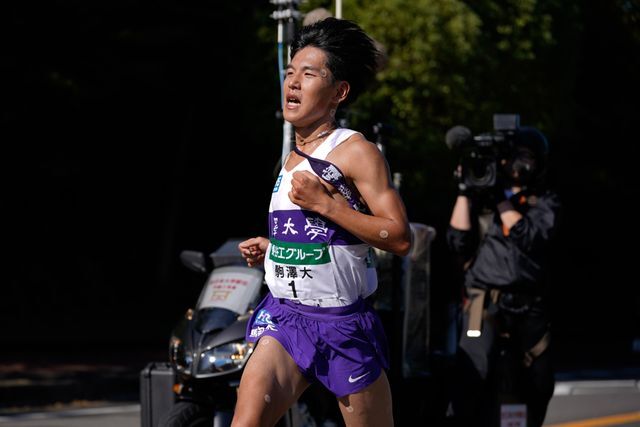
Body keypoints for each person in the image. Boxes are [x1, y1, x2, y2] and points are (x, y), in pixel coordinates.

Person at [232, 17, 411, 427]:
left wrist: (328, 206)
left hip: (342, 324)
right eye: (290, 72)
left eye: (308, 75)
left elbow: (401, 238)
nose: (292, 83)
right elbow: (322, 238)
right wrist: (274, 248)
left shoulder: (355, 151)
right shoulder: (290, 155)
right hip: (285, 316)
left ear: (338, 92)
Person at [446, 126, 561, 427]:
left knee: (540, 378)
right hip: (482, 302)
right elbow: (457, 241)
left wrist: (500, 199)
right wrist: (464, 190)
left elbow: (529, 236)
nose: (522, 165)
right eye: (516, 158)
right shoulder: (481, 195)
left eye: (529, 158)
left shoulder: (544, 200)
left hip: (530, 306)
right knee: (473, 368)